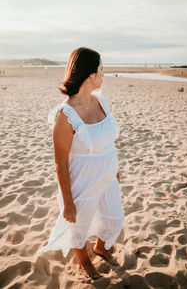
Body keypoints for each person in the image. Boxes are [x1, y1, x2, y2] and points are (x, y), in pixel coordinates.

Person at [36, 47, 124, 280]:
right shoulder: (65, 115)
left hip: (107, 177)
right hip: (82, 182)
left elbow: (107, 140)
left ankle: (101, 247)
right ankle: (85, 261)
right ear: (90, 75)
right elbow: (60, 163)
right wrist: (67, 202)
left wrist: (115, 170)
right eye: (101, 69)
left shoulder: (100, 100)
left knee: (115, 217)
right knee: (79, 226)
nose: (104, 74)